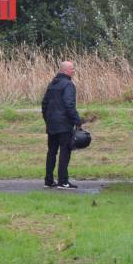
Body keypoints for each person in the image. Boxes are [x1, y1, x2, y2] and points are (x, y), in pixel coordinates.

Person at [41, 61, 83, 189]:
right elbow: (69, 104)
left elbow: (44, 104)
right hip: (64, 125)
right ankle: (63, 181)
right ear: (65, 71)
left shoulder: (52, 84)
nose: (74, 70)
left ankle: (48, 181)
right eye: (72, 68)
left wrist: (47, 119)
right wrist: (77, 121)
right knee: (65, 152)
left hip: (52, 124)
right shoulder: (68, 85)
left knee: (52, 152)